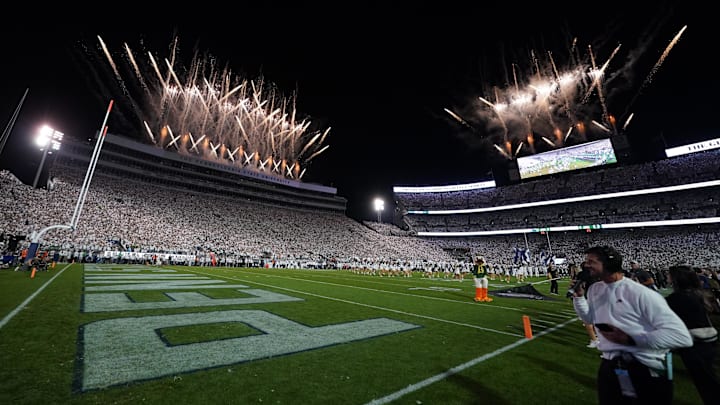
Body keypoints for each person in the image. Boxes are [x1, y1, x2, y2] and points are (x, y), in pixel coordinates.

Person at [572, 246, 693, 405]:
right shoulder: (595, 289)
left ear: (609, 264)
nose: (586, 265)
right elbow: (589, 318)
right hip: (610, 365)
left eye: (591, 262)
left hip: (644, 367)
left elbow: (681, 337)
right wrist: (579, 299)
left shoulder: (639, 293)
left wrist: (630, 339)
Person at [666, 265, 719, 405]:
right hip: (709, 340)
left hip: (694, 343)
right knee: (709, 379)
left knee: (706, 383)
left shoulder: (677, 298)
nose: (667, 277)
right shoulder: (700, 293)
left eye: (669, 275)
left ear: (677, 279)